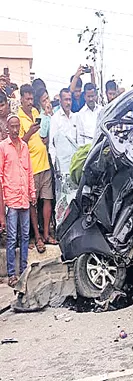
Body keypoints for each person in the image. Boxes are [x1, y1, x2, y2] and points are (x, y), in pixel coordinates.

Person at [0, 114, 36, 287]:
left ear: (19, 128)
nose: (14, 130)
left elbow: (29, 173)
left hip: (24, 198)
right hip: (11, 199)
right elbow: (0, 177)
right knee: (12, 237)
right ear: (7, 128)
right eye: (11, 127)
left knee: (25, 237)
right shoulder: (3, 147)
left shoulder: (24, 147)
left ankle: (23, 270)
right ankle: (12, 274)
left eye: (17, 127)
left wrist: (32, 192)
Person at [18, 84, 54, 252]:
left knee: (47, 199)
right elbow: (18, 144)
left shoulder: (35, 113)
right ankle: (37, 236)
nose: (30, 102)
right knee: (33, 202)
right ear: (21, 99)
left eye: (32, 99)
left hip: (45, 163)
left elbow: (43, 134)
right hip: (31, 167)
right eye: (27, 99)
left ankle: (46, 234)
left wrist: (43, 138)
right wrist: (29, 133)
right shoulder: (17, 117)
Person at [49, 89, 78, 183]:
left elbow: (79, 141)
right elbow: (52, 145)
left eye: (70, 99)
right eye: (65, 100)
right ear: (60, 101)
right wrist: (55, 165)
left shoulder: (76, 118)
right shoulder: (55, 119)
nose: (68, 102)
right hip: (62, 167)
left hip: (75, 163)